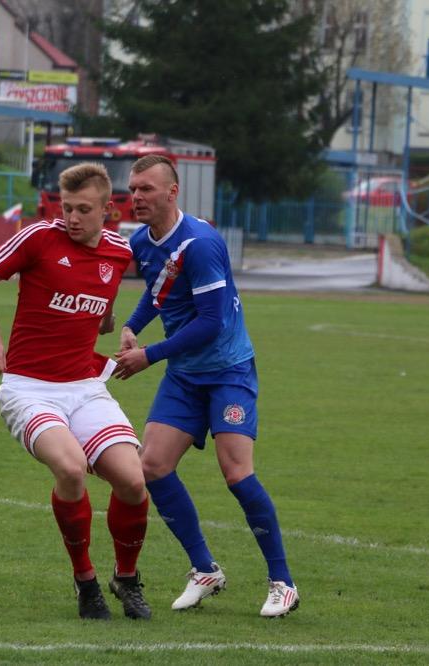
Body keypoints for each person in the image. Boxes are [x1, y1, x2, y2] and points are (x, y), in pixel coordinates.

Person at [0, 162, 151, 621]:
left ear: (107, 210)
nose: (72, 218)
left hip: (84, 386)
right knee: (70, 467)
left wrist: (112, 323)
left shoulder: (118, 252)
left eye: (83, 209)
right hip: (29, 389)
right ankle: (85, 581)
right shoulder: (39, 237)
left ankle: (126, 578)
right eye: (66, 208)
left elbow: (102, 306)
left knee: (132, 481)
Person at [113, 154, 299, 618]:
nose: (136, 196)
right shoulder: (143, 240)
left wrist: (149, 355)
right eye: (133, 188)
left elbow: (212, 322)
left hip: (227, 370)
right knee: (152, 465)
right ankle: (204, 570)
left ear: (172, 192)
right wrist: (132, 325)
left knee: (236, 473)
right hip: (185, 374)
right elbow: (158, 289)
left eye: (146, 188)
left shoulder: (200, 243)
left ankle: (283, 582)